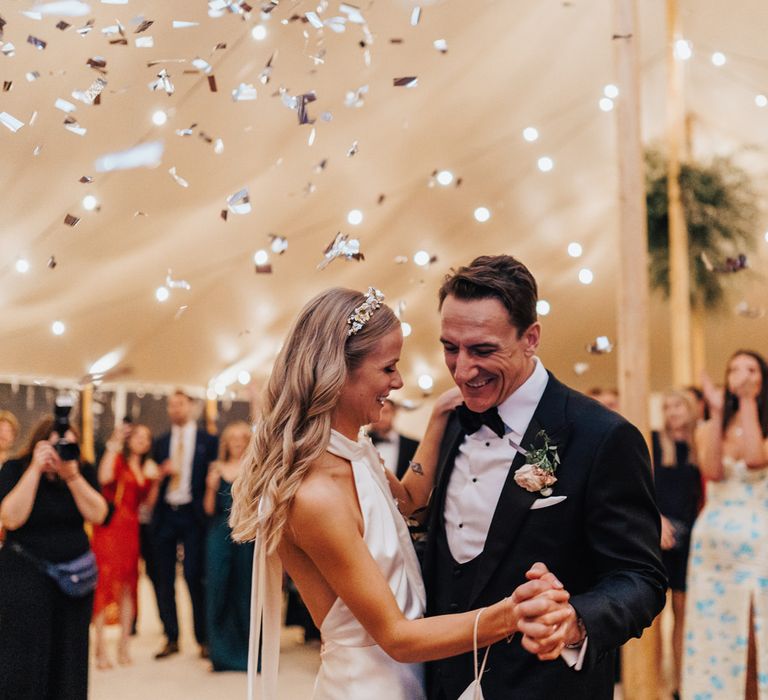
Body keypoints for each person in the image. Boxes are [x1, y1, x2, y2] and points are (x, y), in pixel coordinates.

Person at [230, 287, 571, 700]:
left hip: (405, 680)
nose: (399, 381)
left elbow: (409, 501)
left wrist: (439, 418)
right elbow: (396, 636)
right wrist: (510, 614)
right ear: (338, 373)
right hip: (367, 687)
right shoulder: (316, 496)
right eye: (388, 368)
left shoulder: (356, 452)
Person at [422, 255, 666, 699]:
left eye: (482, 350)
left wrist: (573, 620)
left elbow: (640, 578)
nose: (461, 371)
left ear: (531, 338)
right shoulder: (453, 422)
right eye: (450, 348)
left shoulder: (602, 437)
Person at [0, 415, 108, 699]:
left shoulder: (81, 470)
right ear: (38, 444)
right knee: (23, 650)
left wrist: (71, 476)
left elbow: (98, 514)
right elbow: (11, 518)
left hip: (74, 579)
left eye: (69, 446)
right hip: (24, 573)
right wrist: (35, 469)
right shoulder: (15, 468)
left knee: (70, 650)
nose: (61, 452)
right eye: (55, 446)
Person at [682, 350, 768, 700]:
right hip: (712, 545)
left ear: (763, 378)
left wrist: (748, 402)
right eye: (734, 368)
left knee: (755, 628)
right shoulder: (710, 426)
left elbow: (754, 459)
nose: (741, 375)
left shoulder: (761, 424)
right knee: (713, 629)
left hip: (758, 542)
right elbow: (713, 470)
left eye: (750, 369)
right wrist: (717, 413)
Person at [152, 390, 218, 659]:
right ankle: (171, 636)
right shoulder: (161, 442)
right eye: (170, 404)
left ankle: (202, 638)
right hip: (166, 514)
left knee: (193, 576)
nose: (174, 409)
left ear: (191, 407)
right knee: (163, 578)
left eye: (179, 404)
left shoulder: (208, 441)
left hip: (194, 516)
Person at [92, 423, 158, 669]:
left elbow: (147, 506)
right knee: (104, 583)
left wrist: (157, 481)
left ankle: (123, 645)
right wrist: (115, 441)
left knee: (129, 585)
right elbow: (104, 477)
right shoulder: (117, 459)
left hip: (132, 529)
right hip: (110, 527)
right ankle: (99, 648)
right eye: (139, 436)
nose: (143, 441)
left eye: (147, 438)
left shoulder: (146, 468)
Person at [651, 390, 702, 699]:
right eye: (667, 407)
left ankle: (680, 686)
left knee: (684, 615)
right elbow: (639, 486)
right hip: (658, 535)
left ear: (691, 408)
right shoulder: (655, 444)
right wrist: (656, 520)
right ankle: (653, 682)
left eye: (677, 405)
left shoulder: (702, 444)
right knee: (653, 615)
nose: (672, 412)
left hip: (692, 539)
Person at [204, 420, 254, 672]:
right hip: (219, 533)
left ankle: (249, 653)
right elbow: (209, 509)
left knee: (245, 590)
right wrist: (211, 488)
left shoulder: (255, 467)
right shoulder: (216, 468)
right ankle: (221, 654)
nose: (236, 441)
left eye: (241, 436)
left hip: (246, 534)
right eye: (232, 436)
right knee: (218, 588)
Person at [368, 399, 420, 478]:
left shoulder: (413, 446)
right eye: (376, 412)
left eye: (385, 412)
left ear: (394, 413)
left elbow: (418, 475)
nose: (380, 417)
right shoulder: (359, 442)